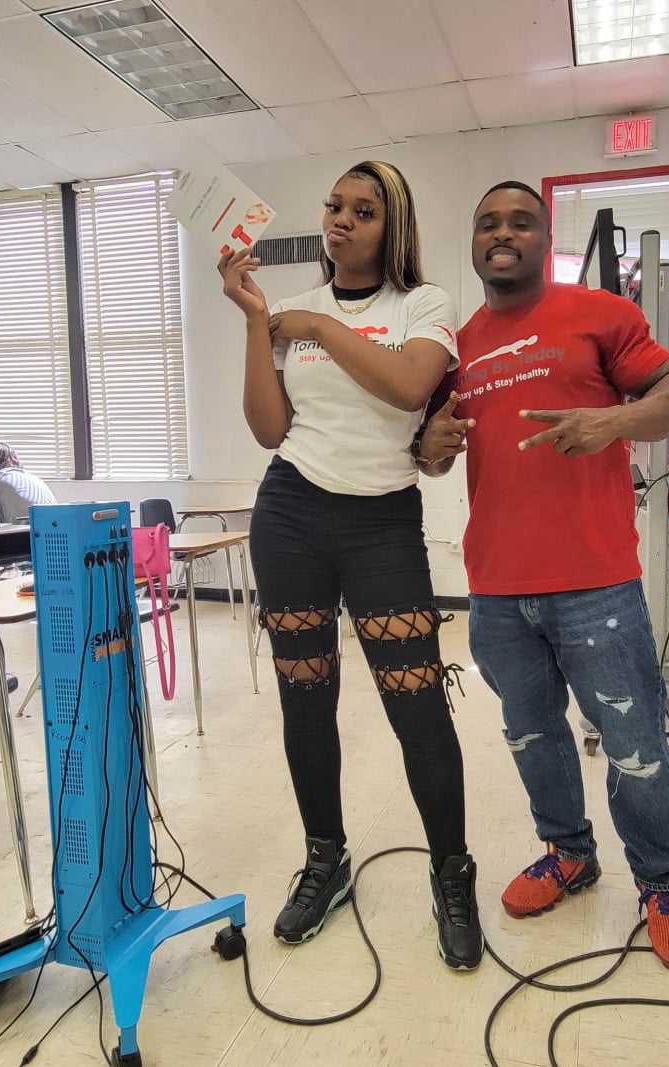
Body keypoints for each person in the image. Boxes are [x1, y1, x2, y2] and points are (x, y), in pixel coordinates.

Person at [416, 180, 669, 972]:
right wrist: (430, 447)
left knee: (633, 740)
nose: (502, 233)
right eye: (488, 223)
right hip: (497, 588)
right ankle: (569, 852)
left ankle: (661, 881)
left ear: (546, 239)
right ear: (474, 242)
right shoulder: (457, 346)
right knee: (532, 734)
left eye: (521, 221)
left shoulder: (598, 314)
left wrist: (612, 420)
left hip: (595, 581)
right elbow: (434, 455)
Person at [217, 160, 483, 971]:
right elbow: (270, 429)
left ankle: (452, 872)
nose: (341, 219)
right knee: (306, 701)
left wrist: (314, 325)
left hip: (382, 524)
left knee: (418, 707)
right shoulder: (291, 313)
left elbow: (409, 387)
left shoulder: (423, 305)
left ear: (392, 226)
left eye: (363, 211)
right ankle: (324, 858)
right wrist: (258, 321)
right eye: (335, 205)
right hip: (291, 513)